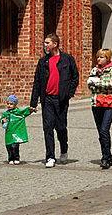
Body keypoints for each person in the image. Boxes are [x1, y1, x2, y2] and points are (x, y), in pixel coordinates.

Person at [30, 33, 79, 169]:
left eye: (47, 43)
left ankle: (64, 149)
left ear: (55, 44)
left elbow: (75, 77)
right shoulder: (43, 62)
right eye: (44, 43)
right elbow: (37, 82)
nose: (45, 45)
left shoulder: (67, 59)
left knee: (61, 127)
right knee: (48, 128)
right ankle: (50, 156)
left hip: (61, 99)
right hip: (47, 99)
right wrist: (33, 102)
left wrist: (68, 93)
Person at [86, 49, 112, 169]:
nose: (99, 59)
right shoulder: (94, 70)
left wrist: (97, 82)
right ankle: (107, 156)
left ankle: (105, 158)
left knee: (105, 130)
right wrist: (100, 83)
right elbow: (90, 85)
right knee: (101, 132)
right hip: (96, 103)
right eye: (98, 57)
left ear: (107, 58)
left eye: (102, 57)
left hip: (110, 104)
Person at [0, 94, 35, 165]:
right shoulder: (6, 113)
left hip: (16, 132)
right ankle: (10, 158)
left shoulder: (18, 112)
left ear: (15, 104)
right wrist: (3, 120)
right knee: (9, 146)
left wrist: (31, 110)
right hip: (9, 133)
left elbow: (25, 112)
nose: (9, 105)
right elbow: (2, 118)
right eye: (8, 104)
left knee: (15, 146)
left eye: (11, 104)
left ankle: (16, 158)